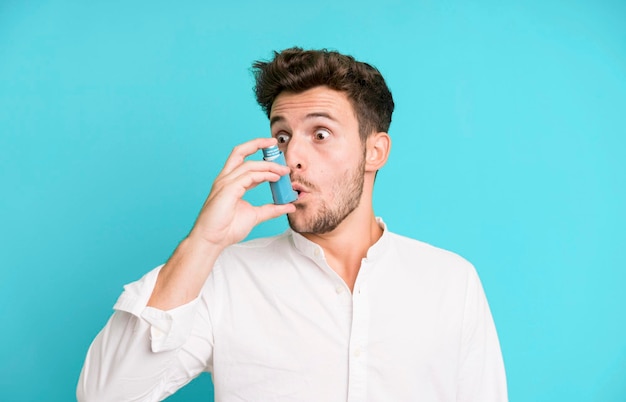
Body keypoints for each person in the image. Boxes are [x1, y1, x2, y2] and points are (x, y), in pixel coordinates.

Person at [77, 47, 508, 401]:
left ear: (374, 152)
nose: (291, 158)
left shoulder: (451, 282)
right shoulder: (223, 277)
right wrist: (203, 243)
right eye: (282, 137)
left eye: (320, 134)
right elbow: (104, 396)